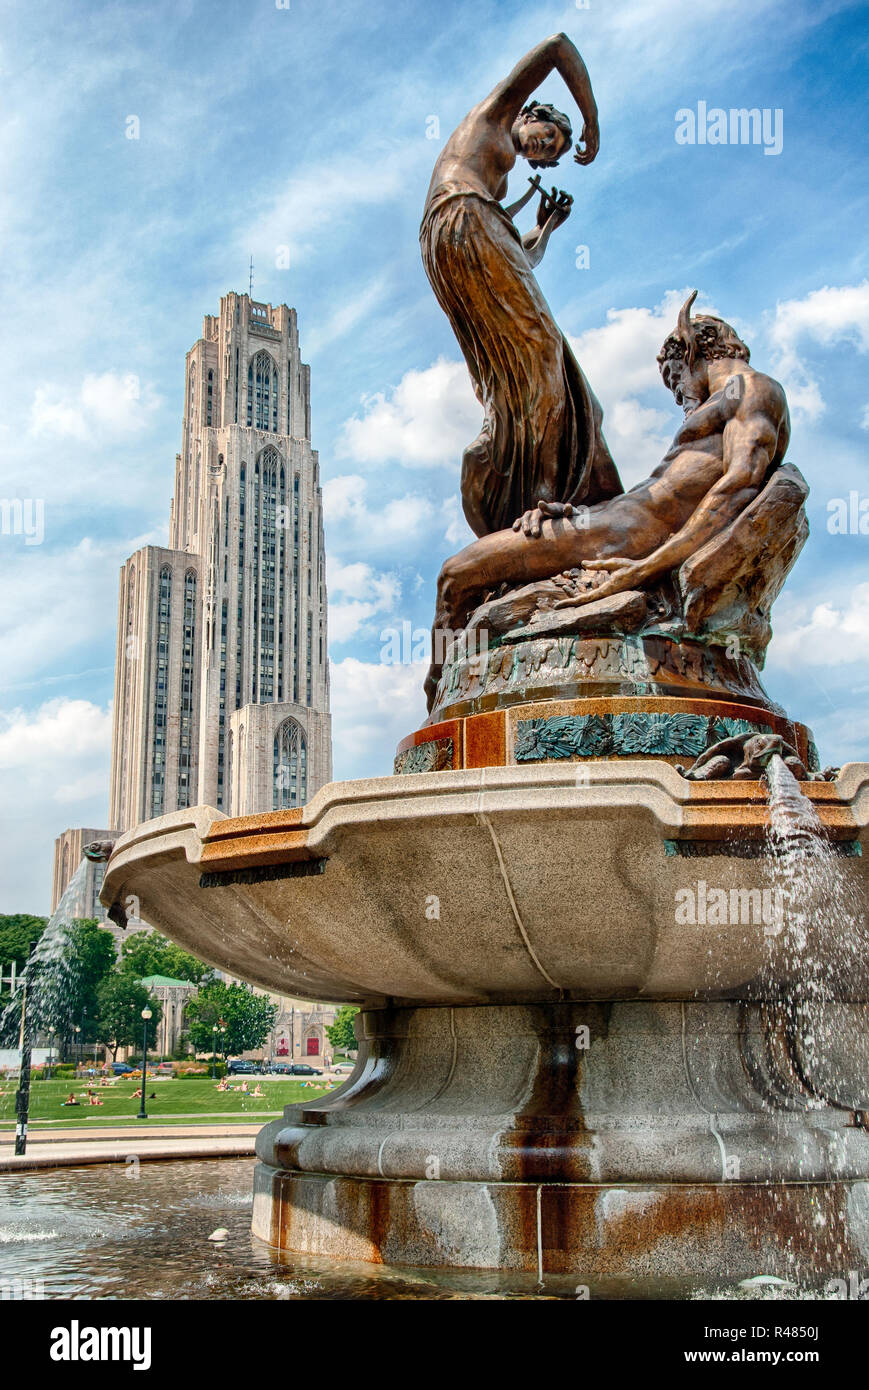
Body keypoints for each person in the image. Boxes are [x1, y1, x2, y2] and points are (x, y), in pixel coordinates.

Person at [429, 295, 790, 678]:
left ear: (689, 348)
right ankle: (451, 694)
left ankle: (438, 690)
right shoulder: (727, 402)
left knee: (455, 575)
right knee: (460, 577)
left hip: (626, 538)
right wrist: (579, 512)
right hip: (608, 523)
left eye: (674, 377)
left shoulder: (751, 390)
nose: (678, 393)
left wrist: (645, 568)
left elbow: (737, 488)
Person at [421, 33, 622, 540]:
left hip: (453, 239)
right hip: (461, 218)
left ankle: (501, 461)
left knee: (516, 369)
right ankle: (546, 495)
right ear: (530, 113)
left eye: (550, 152)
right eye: (547, 135)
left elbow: (521, 263)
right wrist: (591, 119)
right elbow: (558, 46)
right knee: (544, 346)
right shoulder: (490, 117)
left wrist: (547, 228)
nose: (542, 147)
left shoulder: (496, 189)